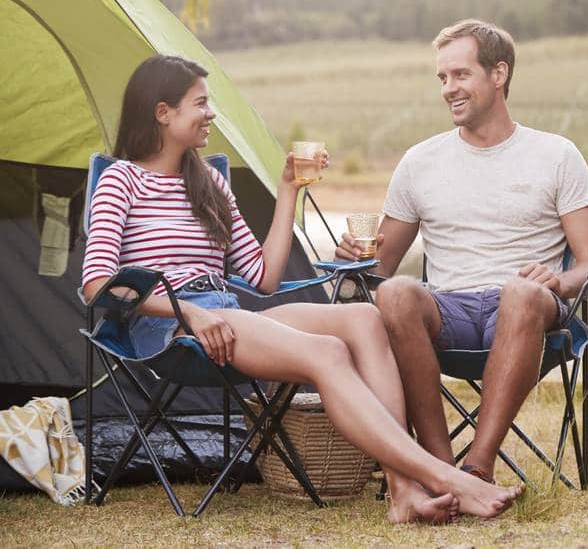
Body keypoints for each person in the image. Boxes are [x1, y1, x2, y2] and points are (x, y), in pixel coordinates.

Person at [81, 55, 519, 523]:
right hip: (171, 328)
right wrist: (189, 313)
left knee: (364, 319)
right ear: (163, 112)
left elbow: (262, 277)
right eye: (200, 104)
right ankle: (447, 478)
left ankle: (403, 492)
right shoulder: (121, 180)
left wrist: (287, 189)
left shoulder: (206, 181)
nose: (211, 113)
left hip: (225, 313)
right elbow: (97, 287)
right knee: (327, 352)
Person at [335, 19, 588, 484]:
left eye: (460, 75)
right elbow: (380, 268)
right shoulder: (419, 161)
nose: (448, 88)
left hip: (529, 310)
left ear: (498, 74)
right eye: (442, 78)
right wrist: (354, 259)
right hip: (449, 309)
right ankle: (439, 467)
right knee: (398, 293)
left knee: (520, 293)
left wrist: (557, 282)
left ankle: (478, 468)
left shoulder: (557, 155)